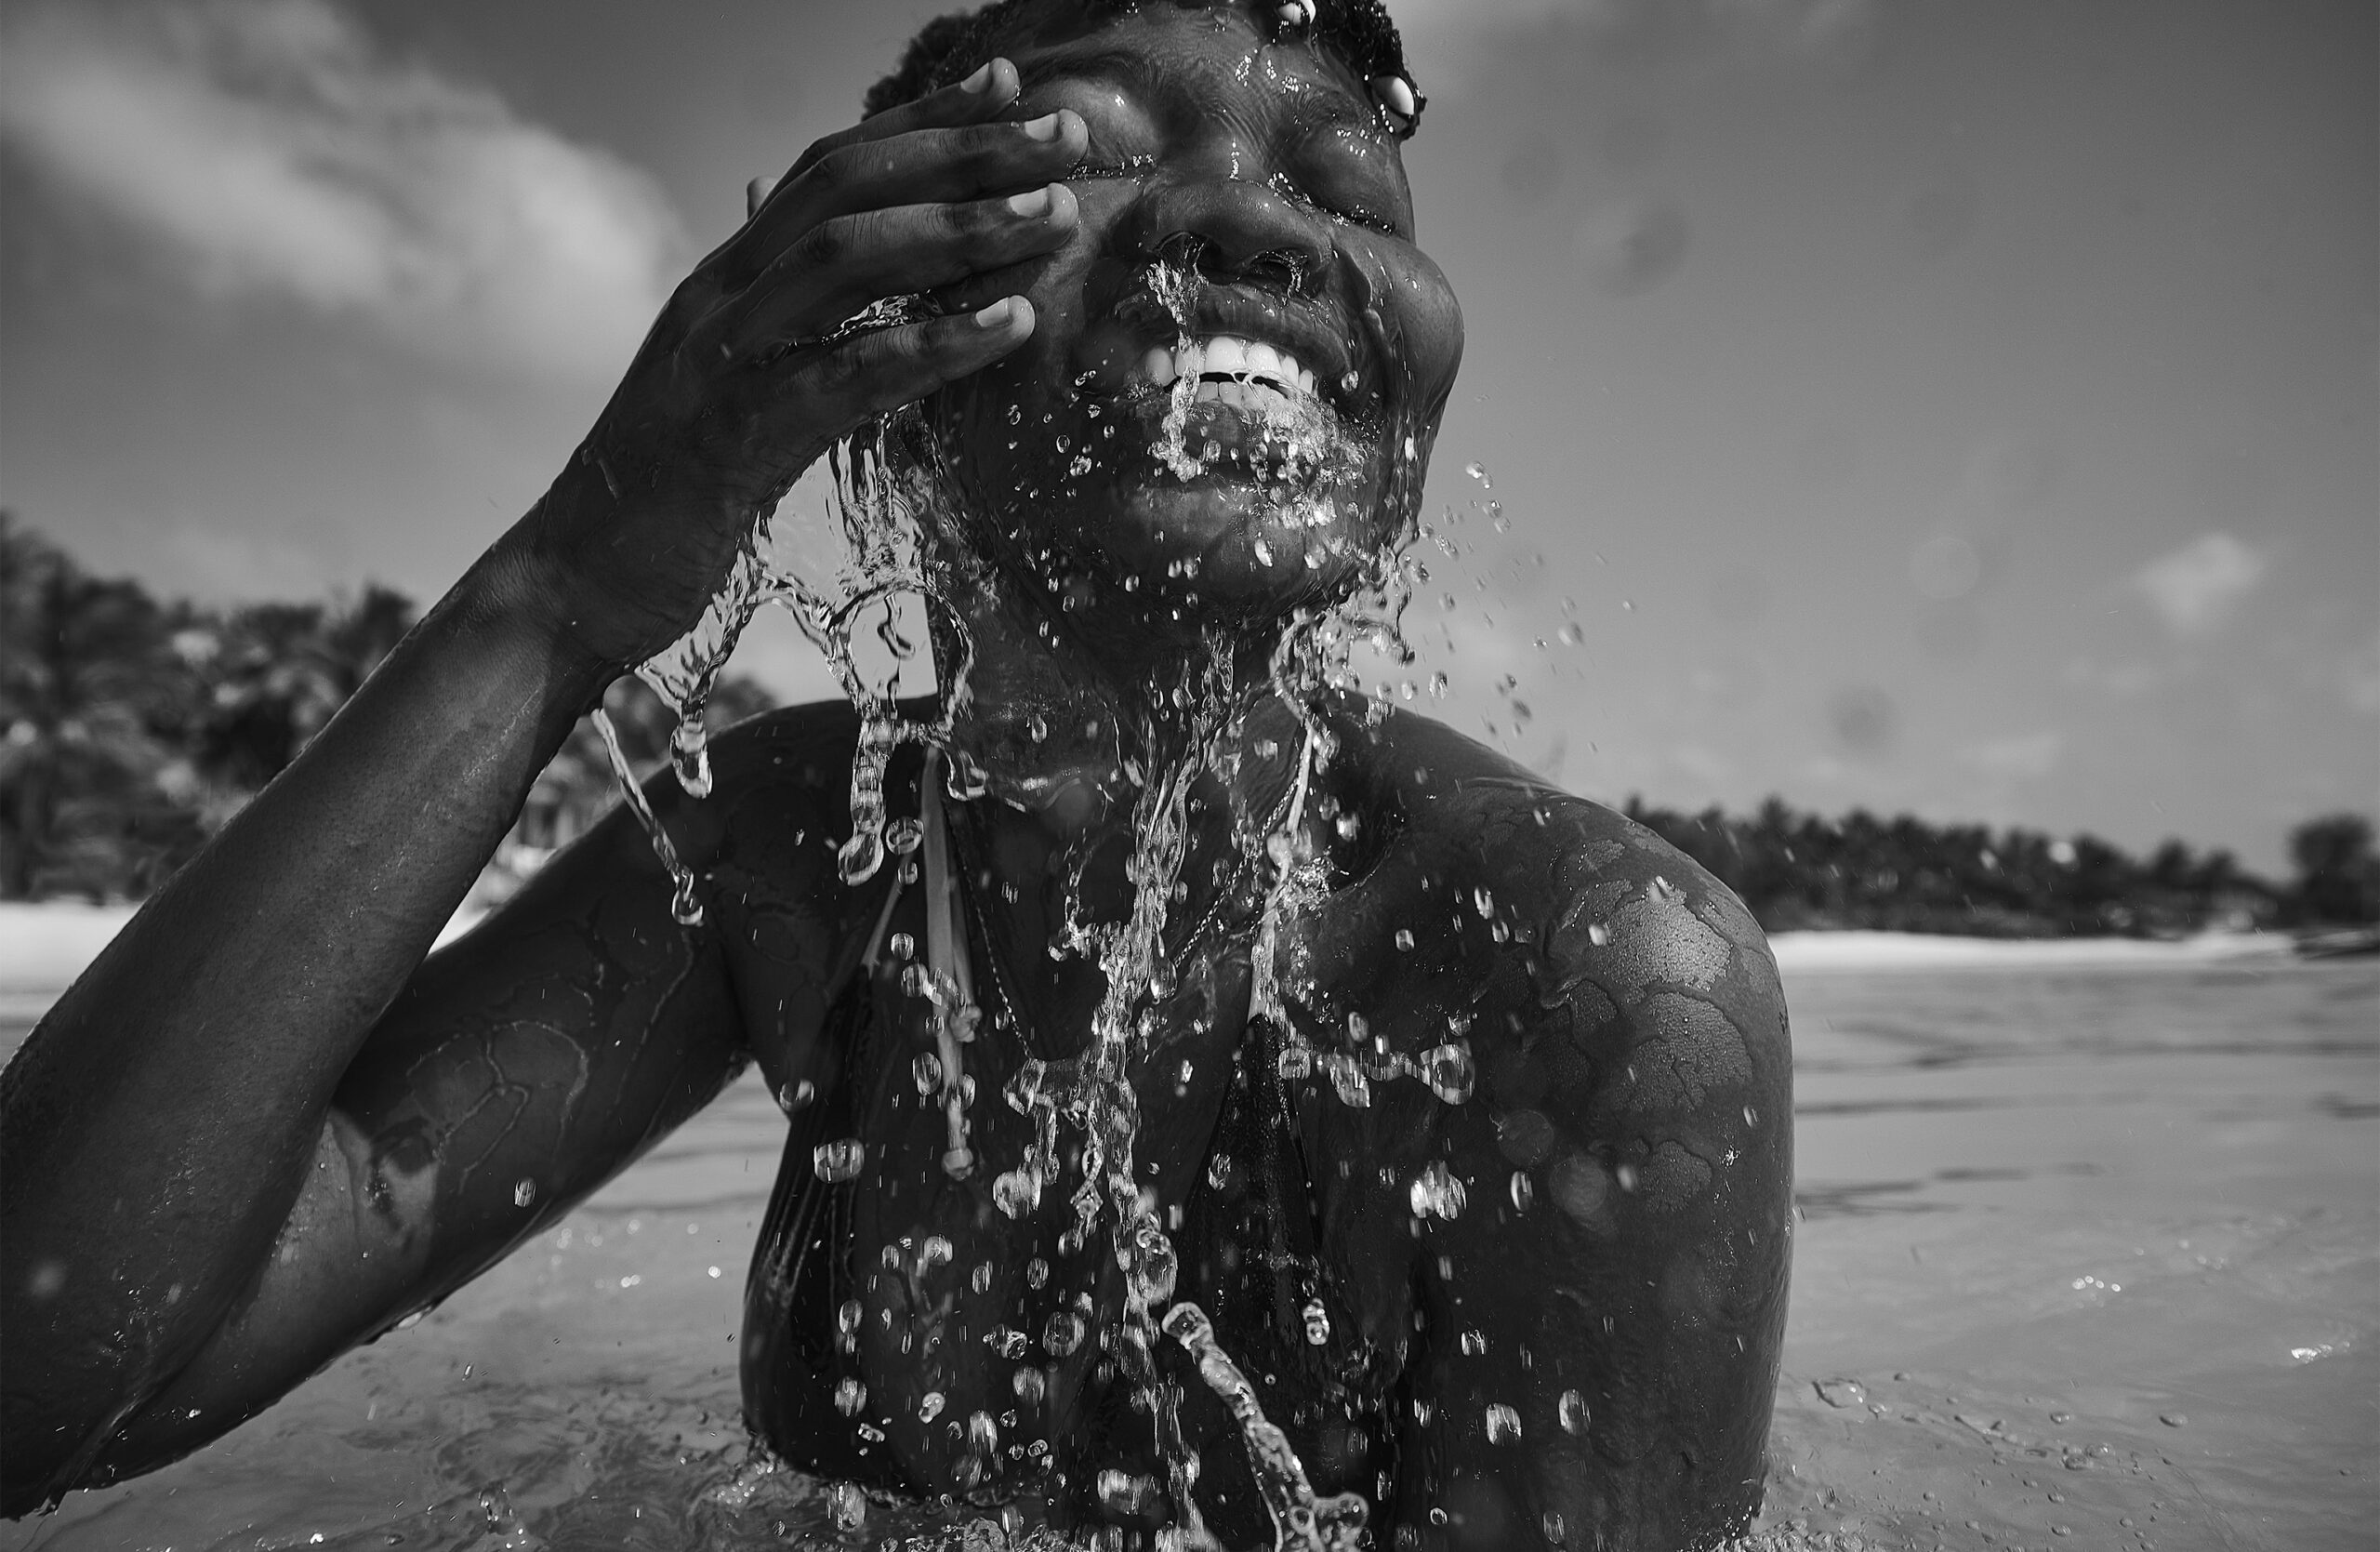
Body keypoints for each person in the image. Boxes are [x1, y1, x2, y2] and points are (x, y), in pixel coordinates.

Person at [0, 2, 1792, 1546]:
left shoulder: (1597, 986)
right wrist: (568, 587)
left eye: (1342, 191)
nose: (1256, 221)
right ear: (873, 322)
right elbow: (49, 1375)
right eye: (1087, 143)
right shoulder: (798, 855)